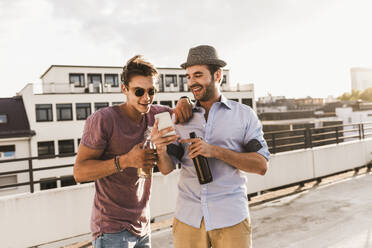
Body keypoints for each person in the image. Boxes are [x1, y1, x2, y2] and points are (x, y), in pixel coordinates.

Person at [73, 55, 192, 248]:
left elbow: (166, 168)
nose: (146, 98)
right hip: (111, 229)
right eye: (139, 91)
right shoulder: (103, 120)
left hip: (143, 227)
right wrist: (126, 160)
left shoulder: (157, 115)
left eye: (151, 91)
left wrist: (185, 99)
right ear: (124, 89)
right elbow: (79, 172)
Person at [168, 45, 270, 248]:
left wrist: (215, 151)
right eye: (188, 77)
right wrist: (160, 145)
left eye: (198, 75)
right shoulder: (179, 116)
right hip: (188, 218)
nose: (192, 82)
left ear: (217, 75)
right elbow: (165, 167)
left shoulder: (244, 115)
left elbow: (261, 166)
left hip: (231, 217)